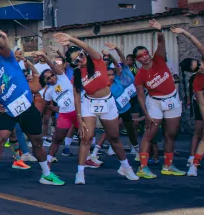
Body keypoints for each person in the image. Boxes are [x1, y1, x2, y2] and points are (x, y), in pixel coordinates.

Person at [0, 26, 64, 192]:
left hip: (27, 107)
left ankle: (46, 174)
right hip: (8, 111)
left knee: (37, 142)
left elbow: (3, 46)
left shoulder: (6, 60)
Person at [53, 34, 139, 184]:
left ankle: (126, 167)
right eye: (76, 60)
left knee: (114, 137)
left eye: (80, 55)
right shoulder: (78, 75)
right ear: (74, 64)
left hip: (108, 102)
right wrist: (79, 118)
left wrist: (71, 39)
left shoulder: (96, 60)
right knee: (86, 138)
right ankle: (80, 172)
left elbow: (86, 47)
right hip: (89, 104)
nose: (80, 59)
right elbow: (77, 97)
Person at [132, 20, 184, 178]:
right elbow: (141, 96)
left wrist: (160, 31)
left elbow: (161, 43)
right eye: (140, 56)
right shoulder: (140, 76)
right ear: (137, 60)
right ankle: (142, 167)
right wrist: (146, 114)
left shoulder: (159, 59)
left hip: (172, 99)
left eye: (146, 53)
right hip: (154, 102)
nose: (145, 57)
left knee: (171, 134)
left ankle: (168, 165)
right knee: (149, 134)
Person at [175, 27, 204, 176]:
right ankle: (194, 165)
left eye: (198, 63)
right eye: (196, 68)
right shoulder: (197, 82)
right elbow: (202, 104)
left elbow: (199, 46)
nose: (200, 67)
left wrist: (184, 32)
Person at [37, 51, 79, 165]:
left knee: (85, 136)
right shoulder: (48, 91)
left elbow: (52, 65)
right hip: (65, 115)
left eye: (52, 75)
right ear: (45, 81)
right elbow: (46, 104)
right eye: (48, 78)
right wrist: (55, 109)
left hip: (78, 111)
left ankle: (89, 158)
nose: (51, 78)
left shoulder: (61, 77)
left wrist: (44, 56)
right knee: (57, 139)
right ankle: (49, 161)